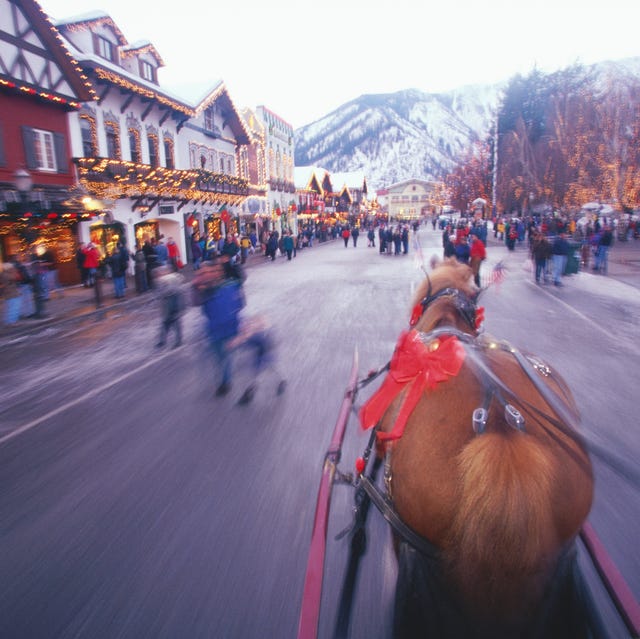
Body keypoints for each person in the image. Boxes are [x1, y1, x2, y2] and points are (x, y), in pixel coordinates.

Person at [155, 265, 186, 349]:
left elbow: (167, 292)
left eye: (160, 273)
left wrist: (161, 293)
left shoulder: (168, 280)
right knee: (167, 323)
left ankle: (177, 341)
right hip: (169, 306)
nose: (158, 275)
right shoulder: (171, 279)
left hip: (173, 305)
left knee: (173, 323)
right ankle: (163, 341)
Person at [0, 259, 22, 325]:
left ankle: (10, 320)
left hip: (10, 293)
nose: (13, 268)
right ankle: (11, 321)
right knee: (14, 307)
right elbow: (16, 278)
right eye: (12, 267)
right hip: (11, 293)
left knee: (12, 307)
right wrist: (14, 271)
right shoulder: (6, 275)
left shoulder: (4, 274)